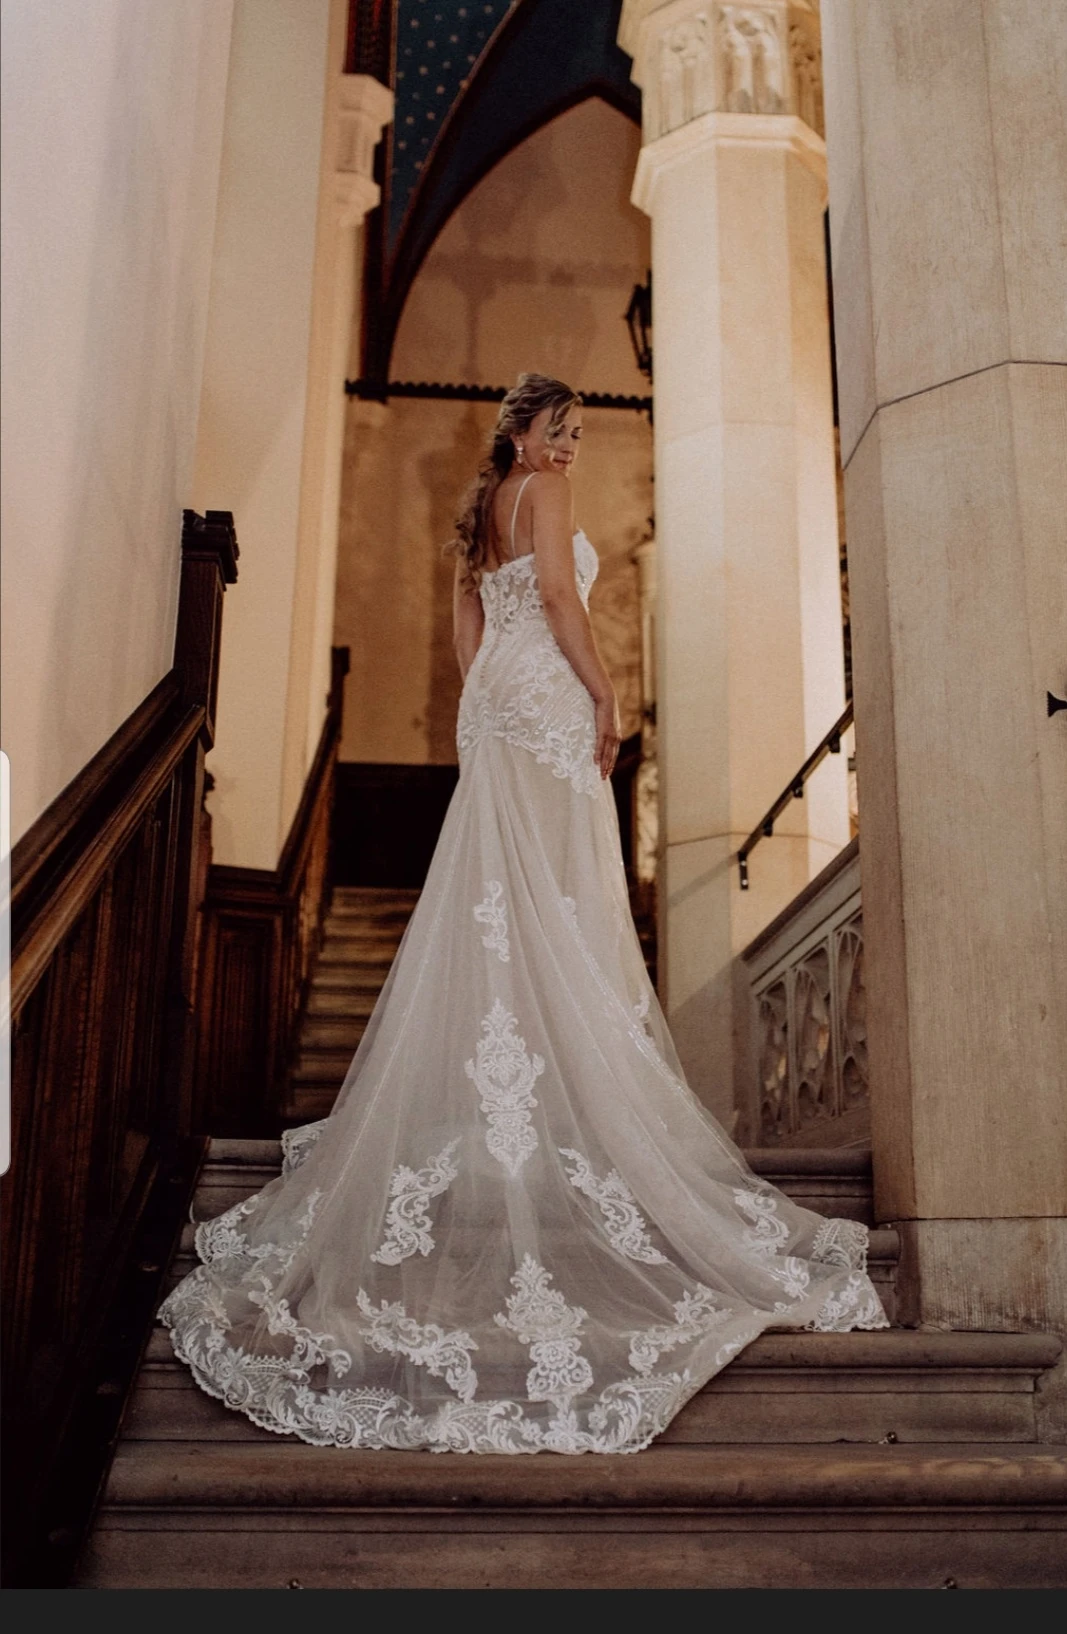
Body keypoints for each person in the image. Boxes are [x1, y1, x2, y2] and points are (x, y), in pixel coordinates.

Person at [160, 371, 887, 1455]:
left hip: (496, 702)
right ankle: (551, 1107)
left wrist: (487, 699)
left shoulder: (479, 509)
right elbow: (557, 598)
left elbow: (471, 627)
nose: (572, 444)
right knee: (559, 900)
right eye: (561, 427)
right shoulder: (540, 496)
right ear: (525, 429)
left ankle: (527, 1106)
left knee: (508, 900)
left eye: (579, 430)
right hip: (542, 690)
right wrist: (598, 693)